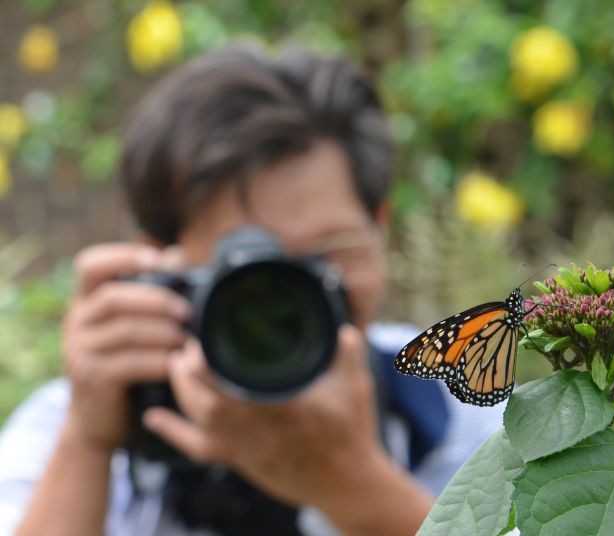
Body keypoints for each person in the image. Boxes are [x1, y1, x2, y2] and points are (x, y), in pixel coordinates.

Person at [0, 42, 504, 535]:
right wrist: (88, 442)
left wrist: (354, 485)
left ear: (379, 229)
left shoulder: (468, 405)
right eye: (248, 270)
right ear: (159, 268)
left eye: (328, 251)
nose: (289, 296)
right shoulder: (69, 425)